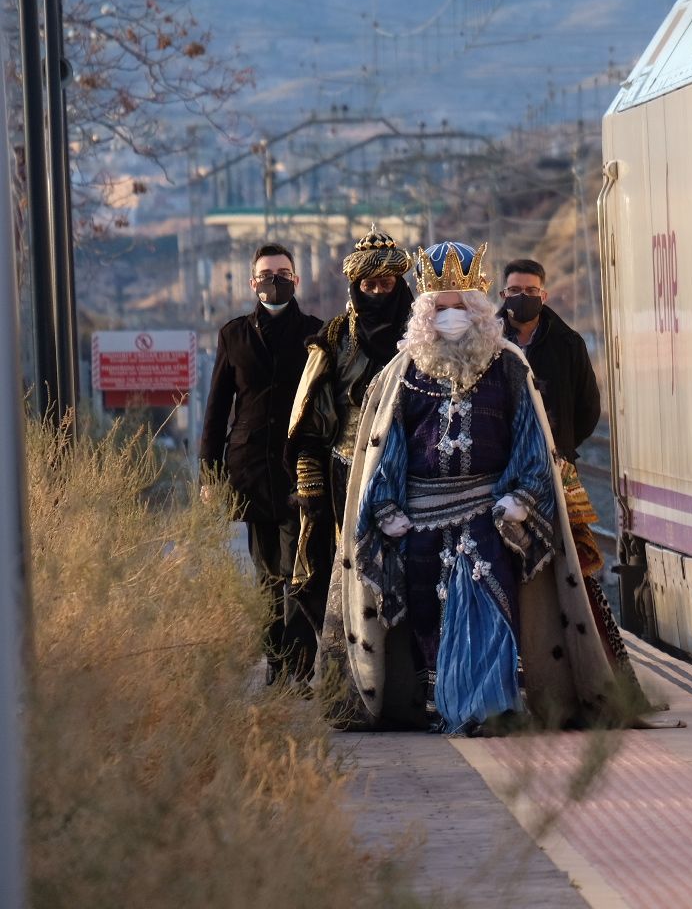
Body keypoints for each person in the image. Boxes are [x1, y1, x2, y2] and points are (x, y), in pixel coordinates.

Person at [316, 240, 637, 732]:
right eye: (442, 308)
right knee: (426, 609)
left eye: (461, 306)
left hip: (488, 507)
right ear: (425, 311)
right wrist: (384, 506)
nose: (451, 316)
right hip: (419, 513)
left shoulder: (508, 364)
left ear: (480, 308)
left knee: (490, 602)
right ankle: (439, 698)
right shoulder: (402, 372)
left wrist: (522, 494)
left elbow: (531, 435)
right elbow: (388, 442)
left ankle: (490, 705)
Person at [285, 230, 415, 670]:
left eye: (387, 284)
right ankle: (357, 674)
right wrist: (311, 485)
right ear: (355, 287)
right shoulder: (335, 339)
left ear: (400, 284)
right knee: (355, 574)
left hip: (416, 475)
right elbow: (307, 423)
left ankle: (413, 677)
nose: (378, 292)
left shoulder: (422, 337)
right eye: (369, 286)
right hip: (350, 475)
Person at [200, 242, 323, 683]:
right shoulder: (234, 335)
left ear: (296, 278)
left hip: (301, 468)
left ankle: (300, 668)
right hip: (250, 467)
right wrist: (208, 472)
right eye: (268, 273)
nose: (276, 279)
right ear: (253, 282)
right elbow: (216, 410)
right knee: (266, 573)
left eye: (284, 272)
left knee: (300, 571)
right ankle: (275, 662)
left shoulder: (316, 333)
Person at [498, 258, 603, 575]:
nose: (523, 296)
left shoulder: (568, 343)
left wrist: (563, 444)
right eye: (515, 290)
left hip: (556, 470)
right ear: (503, 295)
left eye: (531, 290)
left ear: (543, 295)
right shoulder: (486, 343)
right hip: (499, 469)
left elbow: (588, 407)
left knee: (560, 558)